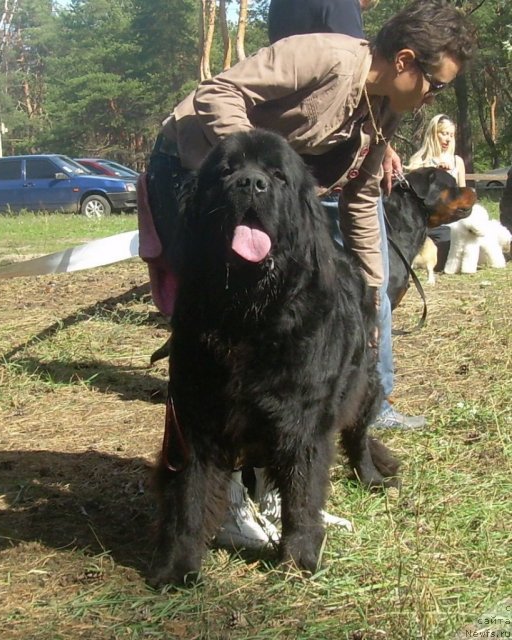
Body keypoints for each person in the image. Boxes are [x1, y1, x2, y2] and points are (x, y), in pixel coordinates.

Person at [142, 0, 474, 549]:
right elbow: (216, 93)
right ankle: (208, 502)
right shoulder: (323, 56)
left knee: (280, 345)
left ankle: (274, 486)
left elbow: (362, 199)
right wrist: (262, 163)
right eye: (435, 85)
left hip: (263, 197)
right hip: (197, 169)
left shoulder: (382, 109)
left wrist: (371, 294)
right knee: (208, 341)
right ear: (406, 62)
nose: (433, 97)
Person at [269, 0, 424, 433]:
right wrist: (374, 143)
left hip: (302, 174)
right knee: (364, 290)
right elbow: (358, 89)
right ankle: (372, 402)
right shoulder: (337, 10)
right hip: (327, 174)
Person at [407, 114, 467, 269]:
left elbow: (462, 199)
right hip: (424, 224)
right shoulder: (418, 162)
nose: (448, 139)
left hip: (449, 224)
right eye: (444, 133)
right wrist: (435, 174)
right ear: (433, 134)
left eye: (451, 135)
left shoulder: (457, 162)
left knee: (444, 253)